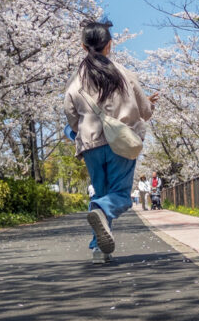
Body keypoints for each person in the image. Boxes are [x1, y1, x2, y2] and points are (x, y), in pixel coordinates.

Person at [64, 20, 158, 263]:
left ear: (83, 46)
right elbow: (145, 112)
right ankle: (102, 212)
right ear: (109, 45)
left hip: (91, 144)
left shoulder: (75, 80)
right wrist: (149, 103)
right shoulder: (125, 74)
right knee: (119, 196)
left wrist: (83, 132)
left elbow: (71, 115)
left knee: (102, 192)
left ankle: (99, 250)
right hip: (121, 142)